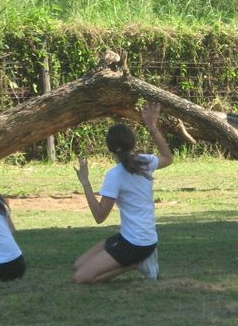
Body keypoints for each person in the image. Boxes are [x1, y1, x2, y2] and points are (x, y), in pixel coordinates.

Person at [73, 103, 172, 284]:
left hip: (135, 244)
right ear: (132, 143)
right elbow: (168, 157)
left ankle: (135, 264)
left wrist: (85, 183)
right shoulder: (145, 161)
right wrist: (152, 126)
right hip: (140, 238)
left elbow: (100, 216)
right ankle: (138, 259)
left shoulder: (115, 175)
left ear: (110, 148)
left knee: (81, 277)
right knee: (78, 264)